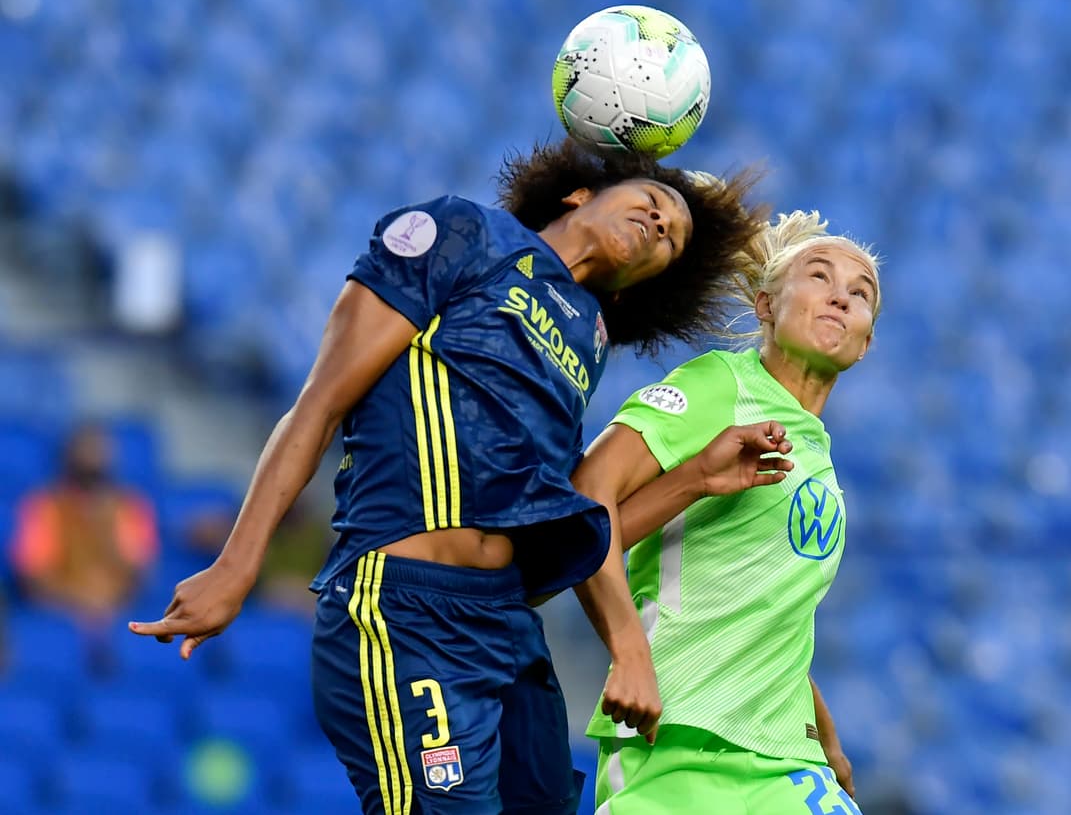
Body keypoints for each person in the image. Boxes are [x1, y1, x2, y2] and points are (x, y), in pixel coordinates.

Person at [129, 138, 767, 815]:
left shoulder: (588, 339)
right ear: (580, 193)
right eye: (656, 200)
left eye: (673, 239)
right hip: (403, 610)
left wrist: (692, 478)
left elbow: (558, 532)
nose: (664, 224)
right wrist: (238, 563)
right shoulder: (465, 234)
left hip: (504, 622)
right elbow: (321, 401)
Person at [571, 210, 881, 813]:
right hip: (673, 732)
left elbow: (771, 616)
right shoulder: (717, 386)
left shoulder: (815, 450)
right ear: (766, 307)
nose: (841, 297)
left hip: (784, 758)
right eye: (819, 276)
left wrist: (828, 737)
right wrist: (630, 654)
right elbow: (586, 500)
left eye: (860, 293)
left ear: (865, 342)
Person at [10, 422, 159, 623]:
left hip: (117, 614)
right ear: (69, 455)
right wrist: (82, 603)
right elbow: (33, 575)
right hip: (59, 615)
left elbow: (139, 570)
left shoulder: (129, 505)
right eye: (87, 450)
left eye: (99, 450)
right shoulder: (43, 505)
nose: (93, 458)